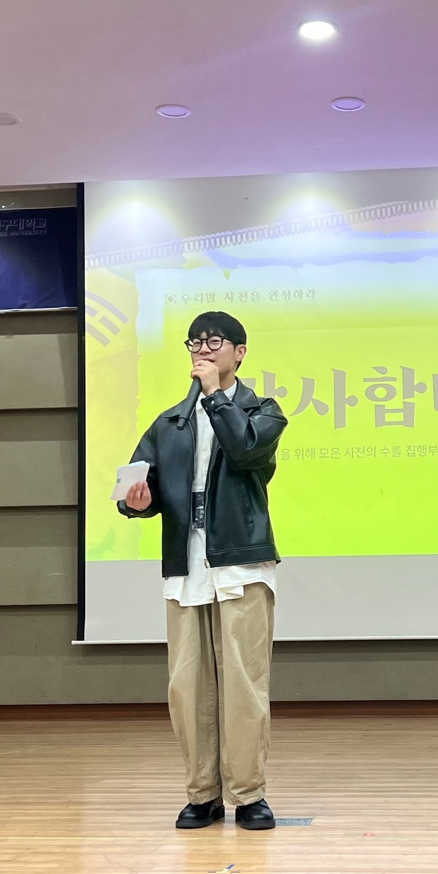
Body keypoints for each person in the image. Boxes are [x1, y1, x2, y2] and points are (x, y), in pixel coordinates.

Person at [118, 311, 287, 831]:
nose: (203, 350)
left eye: (215, 342)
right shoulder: (170, 422)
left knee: (243, 684)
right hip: (185, 566)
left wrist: (215, 396)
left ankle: (249, 794)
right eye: (195, 342)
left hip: (241, 564)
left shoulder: (263, 411)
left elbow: (245, 450)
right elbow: (139, 486)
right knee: (187, 687)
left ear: (240, 352)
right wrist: (136, 502)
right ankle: (202, 793)